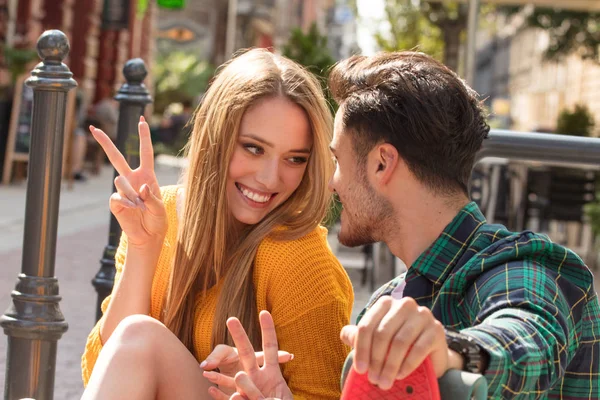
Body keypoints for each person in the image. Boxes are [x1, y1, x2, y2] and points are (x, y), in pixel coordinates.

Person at [218, 51, 600, 399]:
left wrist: (453, 352)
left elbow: (527, 337)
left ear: (382, 163)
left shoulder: (522, 269)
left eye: (339, 160)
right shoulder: (388, 304)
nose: (333, 182)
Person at [80, 48, 354, 400]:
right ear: (216, 137)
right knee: (137, 336)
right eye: (254, 148)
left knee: (140, 336)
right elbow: (104, 369)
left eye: (295, 159)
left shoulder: (301, 260)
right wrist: (143, 247)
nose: (270, 179)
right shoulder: (161, 212)